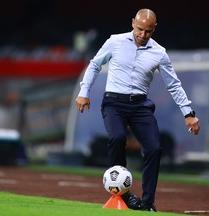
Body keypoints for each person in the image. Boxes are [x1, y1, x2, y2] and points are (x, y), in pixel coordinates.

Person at [75, 8, 200, 212]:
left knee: (154, 149)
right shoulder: (115, 41)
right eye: (140, 29)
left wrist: (189, 114)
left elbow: (174, 85)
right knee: (117, 138)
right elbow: (95, 64)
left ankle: (147, 203)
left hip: (140, 105)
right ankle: (121, 194)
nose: (142, 35)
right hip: (114, 103)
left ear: (154, 29)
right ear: (133, 22)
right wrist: (84, 91)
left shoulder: (159, 53)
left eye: (148, 31)